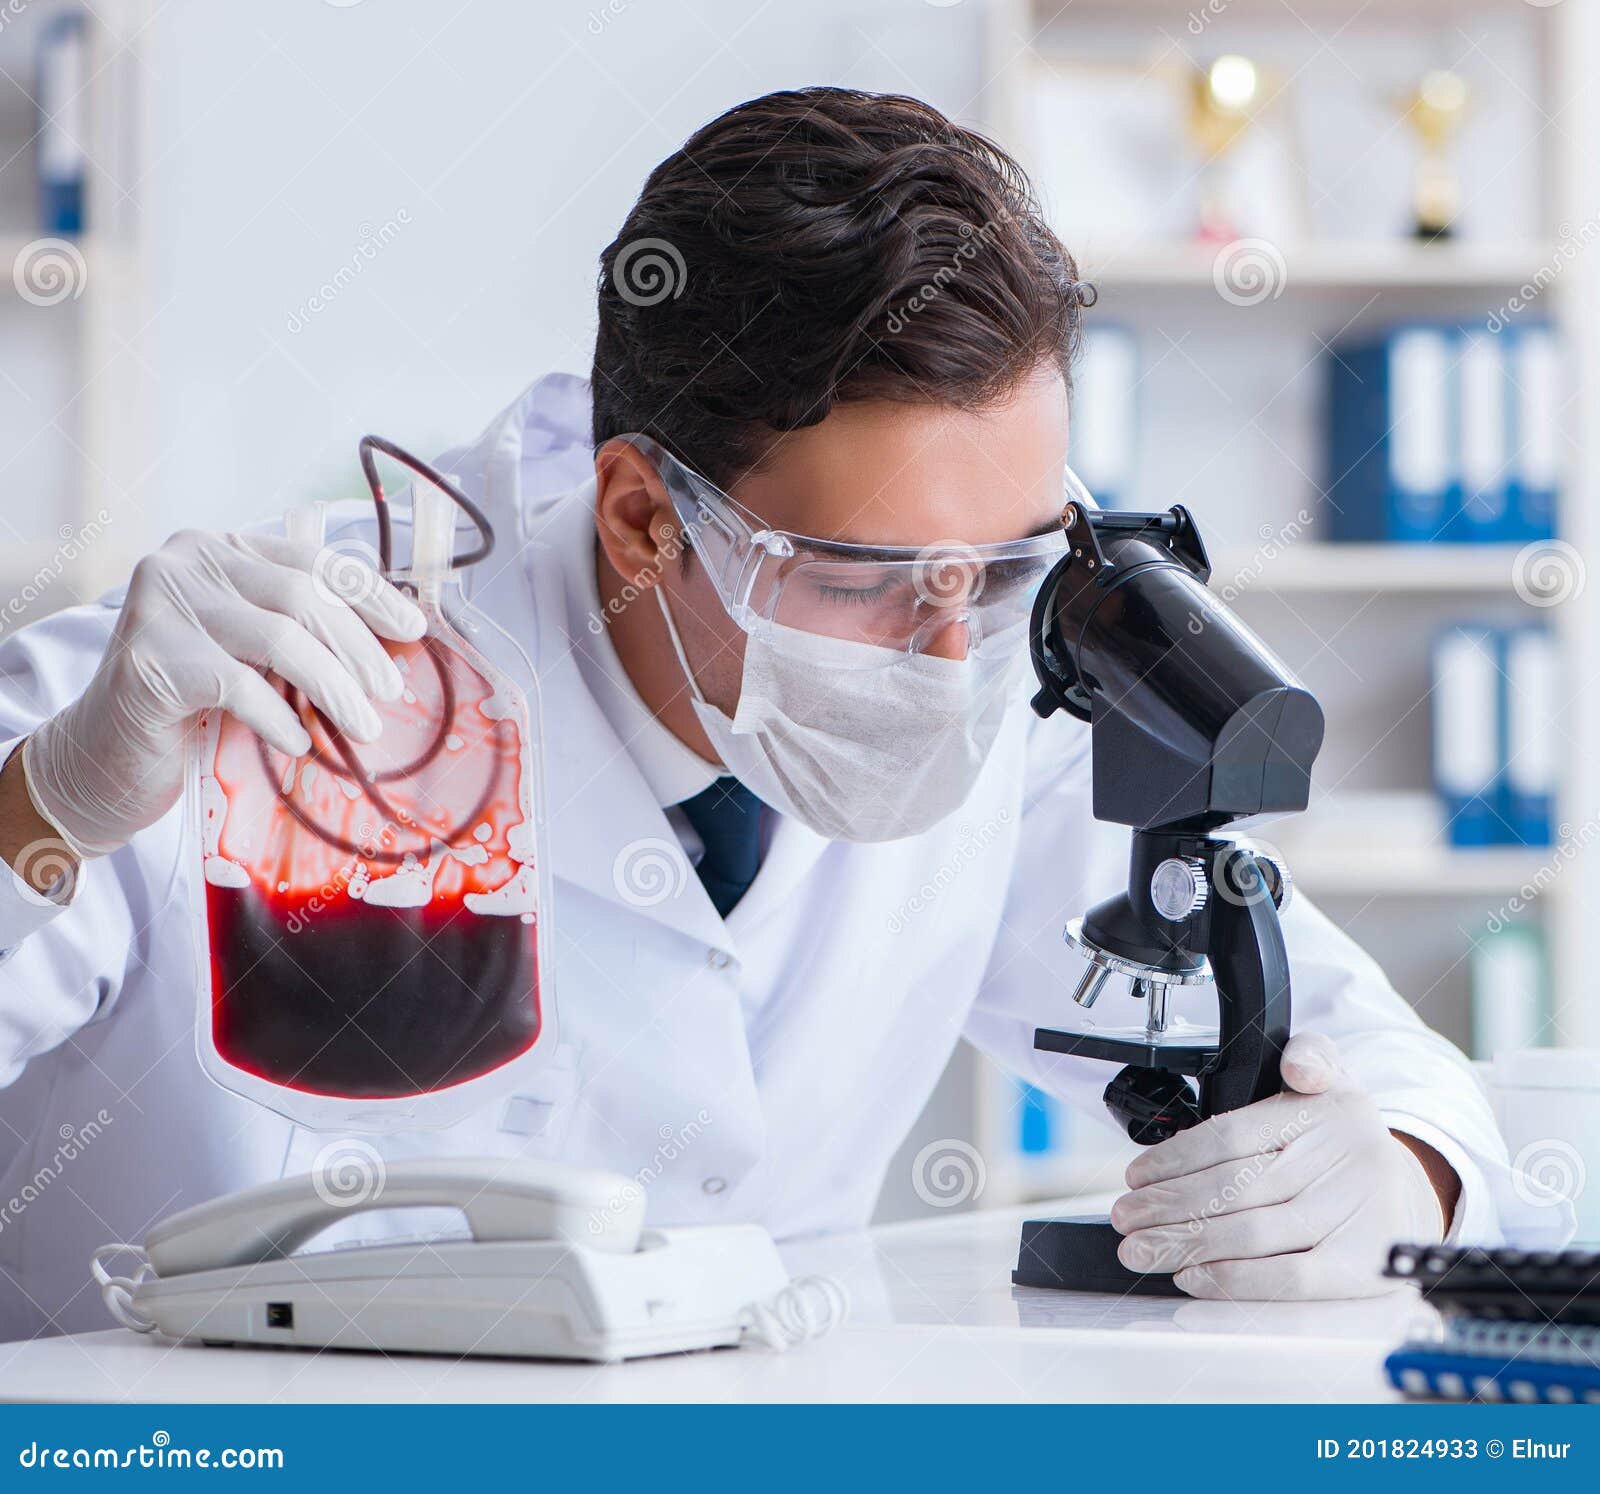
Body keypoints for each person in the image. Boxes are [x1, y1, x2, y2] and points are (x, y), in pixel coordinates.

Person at [0, 88, 1567, 1339]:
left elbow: (1386, 1069)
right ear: (640, 518)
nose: (950, 654)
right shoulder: (224, 692)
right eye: (868, 577)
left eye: (1010, 565)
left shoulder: (1004, 707)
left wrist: (1398, 1172)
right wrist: (46, 808)